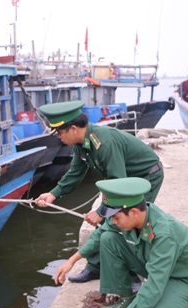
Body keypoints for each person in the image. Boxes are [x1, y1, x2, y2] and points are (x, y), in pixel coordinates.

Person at [54, 177, 188, 308]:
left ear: (134, 212)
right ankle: (126, 298)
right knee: (108, 238)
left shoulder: (164, 234)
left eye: (116, 218)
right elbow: (99, 234)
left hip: (185, 278)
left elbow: (154, 284)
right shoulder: (130, 216)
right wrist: (71, 261)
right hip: (156, 266)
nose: (113, 222)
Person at [35, 100, 164, 284]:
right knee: (108, 219)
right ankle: (95, 268)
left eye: (59, 132)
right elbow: (75, 173)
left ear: (73, 129)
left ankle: (131, 276)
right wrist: (53, 194)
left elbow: (118, 184)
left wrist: (102, 212)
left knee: (127, 221)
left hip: (145, 176)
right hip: (124, 179)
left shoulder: (104, 142)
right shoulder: (81, 144)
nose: (58, 137)